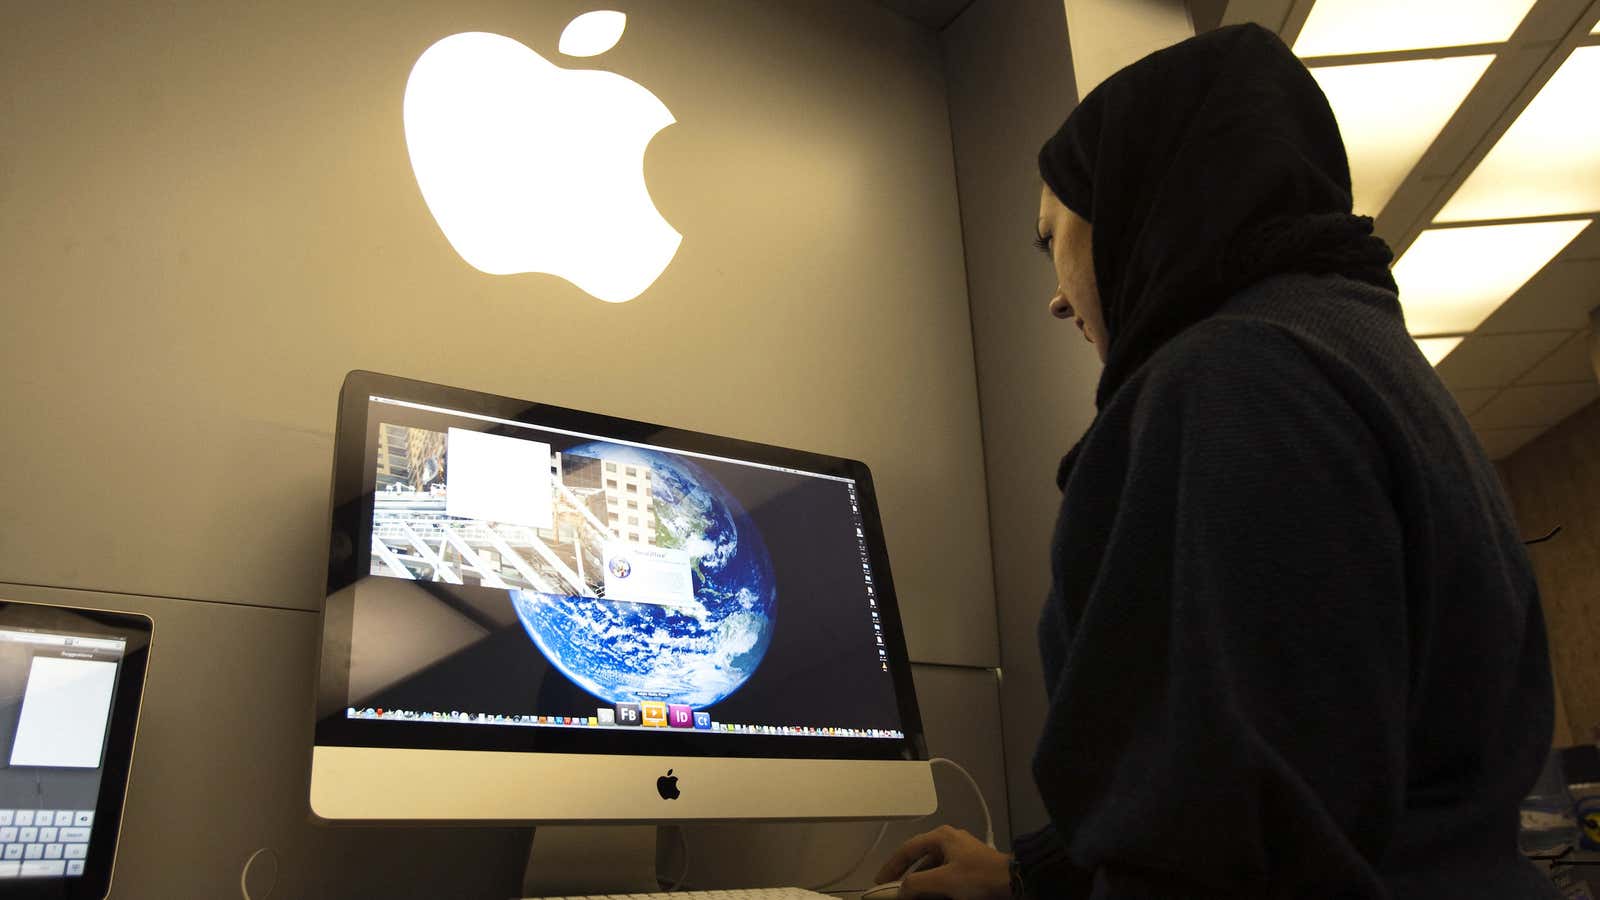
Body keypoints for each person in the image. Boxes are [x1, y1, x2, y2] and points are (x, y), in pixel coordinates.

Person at [875, 22, 1560, 900]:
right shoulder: (1353, 351)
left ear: (1135, 207)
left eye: (1053, 239)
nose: (1054, 295)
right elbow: (1301, 760)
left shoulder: (1232, 382)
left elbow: (1222, 851)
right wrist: (1029, 878)